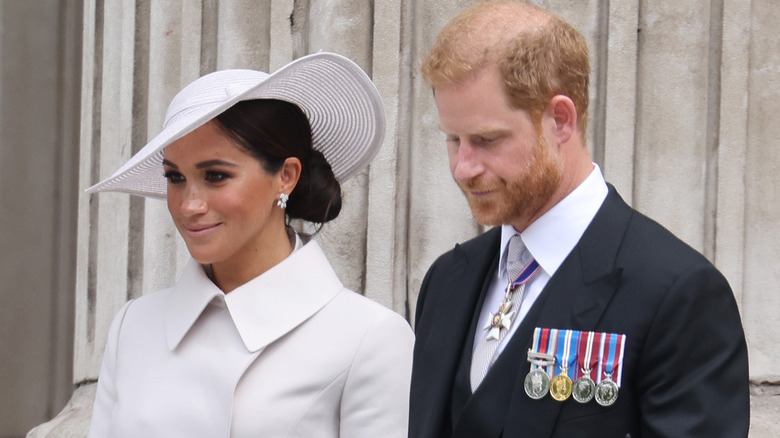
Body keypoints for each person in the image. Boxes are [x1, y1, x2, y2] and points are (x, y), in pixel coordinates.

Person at [408, 1, 749, 437]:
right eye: (453, 140)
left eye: (487, 139)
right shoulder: (446, 281)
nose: (463, 167)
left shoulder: (677, 295)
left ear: (560, 120)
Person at [86, 52, 414, 437]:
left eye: (216, 175)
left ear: (286, 177)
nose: (190, 205)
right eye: (175, 178)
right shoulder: (133, 327)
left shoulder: (370, 337)